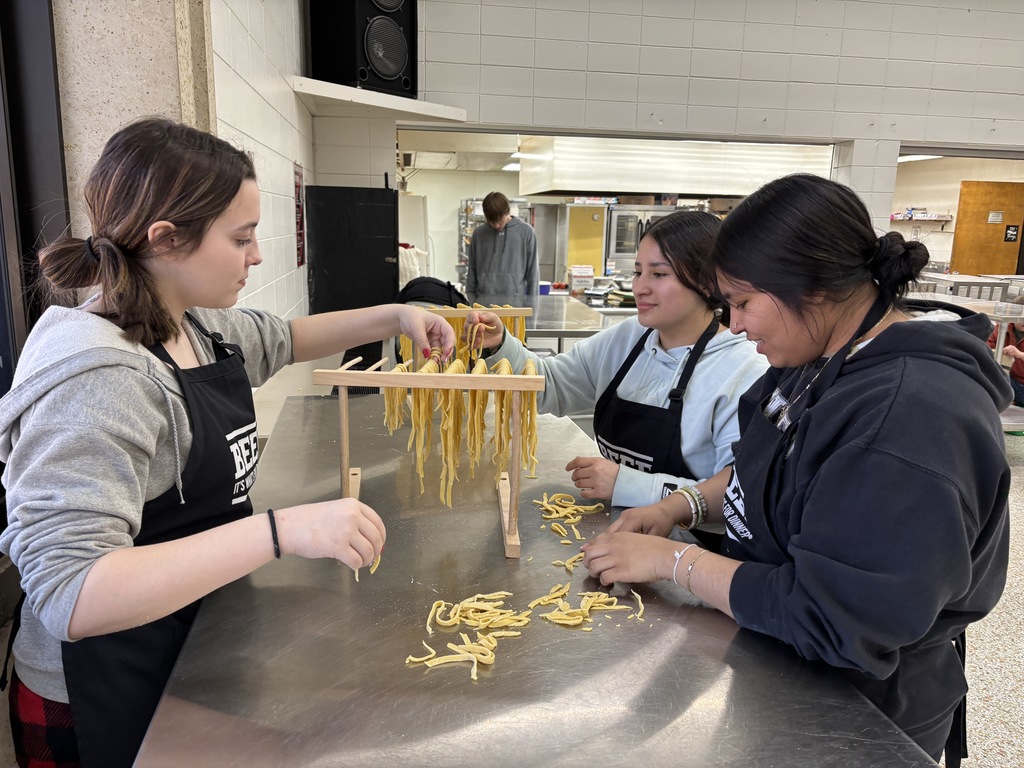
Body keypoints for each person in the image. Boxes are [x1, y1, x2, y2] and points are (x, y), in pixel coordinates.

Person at [0, 117, 455, 768]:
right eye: (241, 238)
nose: (258, 255)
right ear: (166, 240)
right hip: (94, 694)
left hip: (185, 648)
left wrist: (396, 316)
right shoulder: (100, 379)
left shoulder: (195, 322)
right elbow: (70, 592)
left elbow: (290, 339)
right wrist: (281, 532)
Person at [581, 174, 1010, 766]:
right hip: (778, 656)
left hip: (859, 707)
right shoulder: (816, 355)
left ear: (810, 288)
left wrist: (677, 561)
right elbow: (759, 465)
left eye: (744, 303)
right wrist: (680, 506)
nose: (733, 326)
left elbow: (834, 617)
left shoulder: (906, 418)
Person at [466, 211, 768, 522]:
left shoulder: (742, 373)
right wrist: (500, 344)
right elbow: (551, 386)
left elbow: (740, 497)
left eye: (659, 274)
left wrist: (629, 485)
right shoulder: (627, 340)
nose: (640, 287)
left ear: (707, 282)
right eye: (638, 272)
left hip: (691, 550)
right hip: (615, 531)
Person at [465, 191, 538, 298]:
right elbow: (472, 272)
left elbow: (533, 275)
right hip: (483, 307)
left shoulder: (526, 232)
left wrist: (532, 311)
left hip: (515, 307)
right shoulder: (479, 234)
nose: (496, 225)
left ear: (507, 212)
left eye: (499, 220)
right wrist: (471, 302)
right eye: (492, 221)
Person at [986, 293, 1024, 406]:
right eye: (1021, 316)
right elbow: (987, 346)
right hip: (1005, 378)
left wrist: (1019, 354)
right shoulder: (1002, 327)